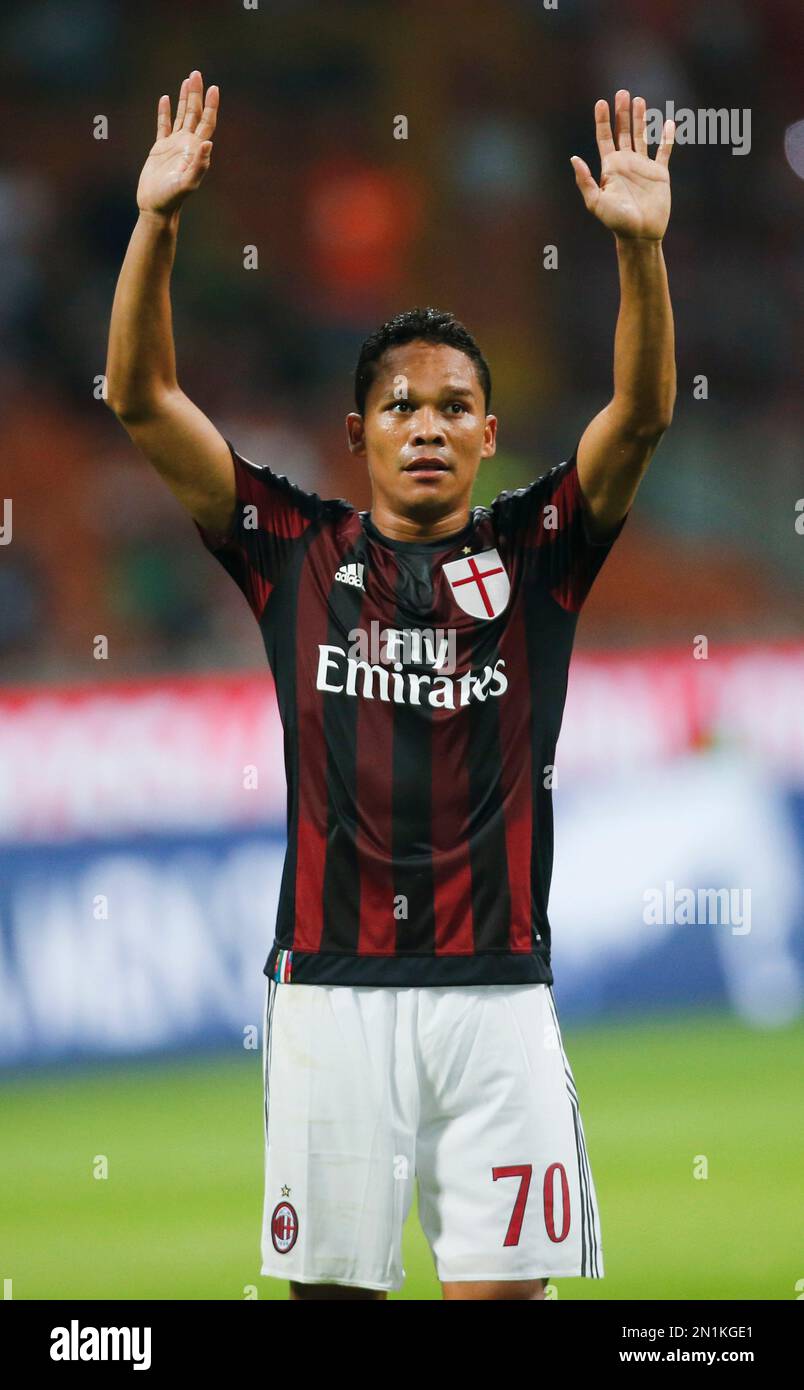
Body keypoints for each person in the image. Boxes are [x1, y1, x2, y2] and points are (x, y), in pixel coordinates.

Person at [105, 71, 676, 1301]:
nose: (426, 423)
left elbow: (640, 414)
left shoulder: (540, 552)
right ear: (356, 432)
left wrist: (641, 256)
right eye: (400, 405)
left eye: (454, 407)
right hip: (330, 997)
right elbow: (146, 400)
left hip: (498, 998)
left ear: (488, 433)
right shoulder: (292, 549)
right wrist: (155, 224)